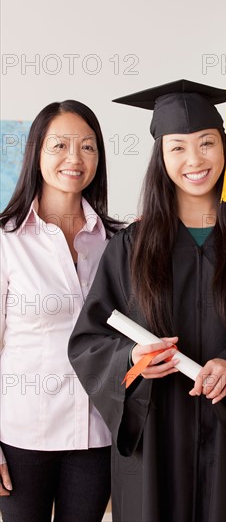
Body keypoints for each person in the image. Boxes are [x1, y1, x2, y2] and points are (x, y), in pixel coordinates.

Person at [68, 79, 226, 522]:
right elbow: (89, 340)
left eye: (207, 143)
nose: (194, 160)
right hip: (153, 438)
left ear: (225, 148)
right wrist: (132, 358)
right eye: (177, 147)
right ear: (161, 158)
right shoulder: (130, 246)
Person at [0, 100, 121, 522]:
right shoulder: (7, 241)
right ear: (36, 152)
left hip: (96, 434)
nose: (74, 158)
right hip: (22, 436)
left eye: (88, 147)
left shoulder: (118, 242)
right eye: (60, 145)